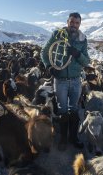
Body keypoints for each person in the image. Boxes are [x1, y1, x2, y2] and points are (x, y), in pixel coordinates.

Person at [40, 12, 90, 151]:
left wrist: (77, 54)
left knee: (74, 109)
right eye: (72, 22)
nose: (74, 25)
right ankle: (63, 139)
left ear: (80, 24)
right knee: (62, 110)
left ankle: (73, 138)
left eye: (77, 23)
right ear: (67, 22)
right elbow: (44, 52)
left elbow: (87, 61)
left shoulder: (82, 39)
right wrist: (49, 67)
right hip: (60, 80)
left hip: (75, 80)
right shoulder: (57, 34)